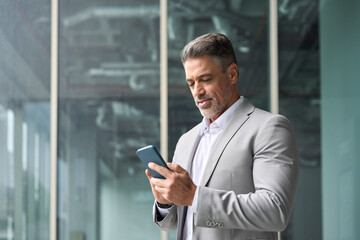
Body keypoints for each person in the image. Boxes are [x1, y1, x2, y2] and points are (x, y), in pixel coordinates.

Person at [145, 33, 298, 240]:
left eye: (205, 79)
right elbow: (176, 222)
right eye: (191, 83)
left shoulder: (269, 128)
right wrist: (166, 202)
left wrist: (195, 196)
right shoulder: (186, 141)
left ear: (232, 74)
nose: (197, 91)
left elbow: (274, 210)